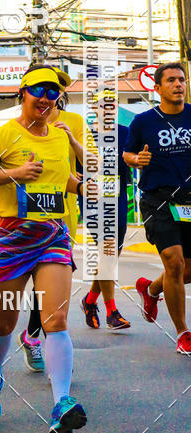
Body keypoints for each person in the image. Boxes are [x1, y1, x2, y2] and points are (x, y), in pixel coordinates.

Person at [0, 66, 91, 433]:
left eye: (53, 92)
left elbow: (68, 182)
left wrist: (80, 168)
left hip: (52, 235)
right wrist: (15, 172)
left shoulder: (60, 137)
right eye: (38, 90)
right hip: (9, 238)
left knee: (56, 320)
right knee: (4, 324)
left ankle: (62, 403)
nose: (45, 97)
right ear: (22, 93)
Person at [123, 62, 191, 354]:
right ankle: (183, 333)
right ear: (158, 87)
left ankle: (151, 289)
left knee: (187, 270)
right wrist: (135, 160)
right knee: (174, 262)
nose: (178, 85)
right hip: (157, 199)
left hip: (189, 199)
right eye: (172, 80)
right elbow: (128, 152)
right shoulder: (144, 121)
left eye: (182, 80)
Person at [80, 112, 131, 330]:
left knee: (110, 255)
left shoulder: (126, 132)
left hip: (117, 196)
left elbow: (134, 158)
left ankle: (90, 301)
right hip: (92, 198)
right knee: (107, 251)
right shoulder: (84, 135)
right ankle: (112, 312)